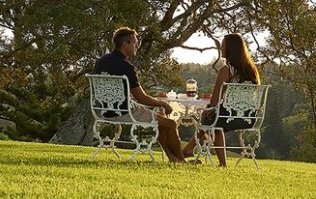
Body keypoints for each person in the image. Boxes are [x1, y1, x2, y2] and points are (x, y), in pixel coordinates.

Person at [95, 27, 187, 163]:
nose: (136, 46)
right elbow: (141, 98)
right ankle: (181, 161)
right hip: (124, 111)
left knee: (160, 119)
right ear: (125, 44)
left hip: (104, 111)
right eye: (134, 43)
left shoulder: (101, 62)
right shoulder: (126, 67)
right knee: (171, 124)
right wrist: (163, 103)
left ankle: (172, 158)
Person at [182, 33, 261, 167]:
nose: (221, 49)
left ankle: (191, 150)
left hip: (228, 116)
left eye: (223, 46)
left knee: (210, 117)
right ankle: (190, 149)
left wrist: (208, 109)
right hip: (249, 118)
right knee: (212, 118)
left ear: (231, 49)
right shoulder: (252, 71)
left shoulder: (226, 70)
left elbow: (214, 101)